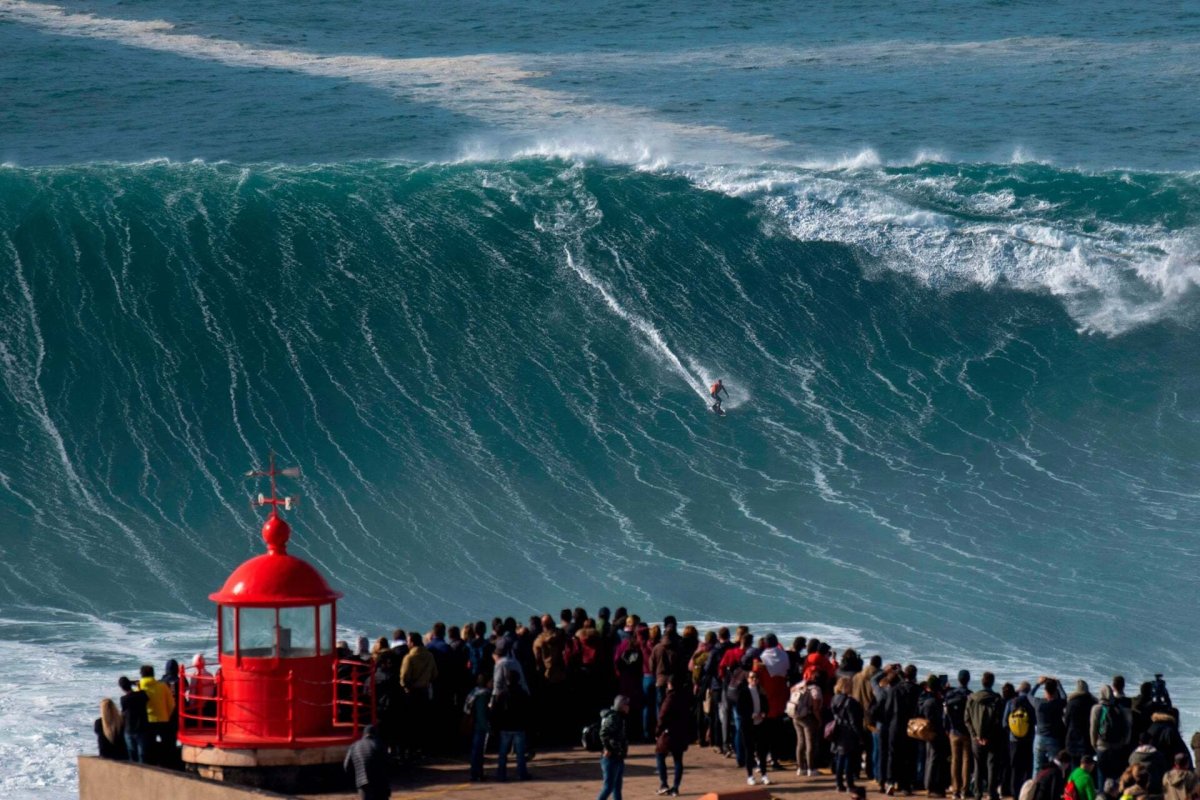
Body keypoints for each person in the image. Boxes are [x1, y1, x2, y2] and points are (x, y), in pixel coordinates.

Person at [966, 671, 1006, 800]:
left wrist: (975, 735)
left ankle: (978, 794)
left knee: (978, 766)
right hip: (992, 738)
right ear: (992, 683)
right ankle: (992, 793)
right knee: (992, 766)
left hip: (976, 738)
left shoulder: (971, 698)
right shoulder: (996, 698)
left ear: (982, 682)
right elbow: (998, 720)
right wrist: (987, 736)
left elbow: (967, 719)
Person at [491, 664, 532, 782]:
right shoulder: (522, 694)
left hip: (505, 726)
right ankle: (521, 773)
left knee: (503, 753)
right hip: (519, 726)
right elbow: (527, 711)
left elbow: (496, 712)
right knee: (520, 753)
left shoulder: (502, 694)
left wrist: (496, 725)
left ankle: (501, 774)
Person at [655, 676, 691, 796]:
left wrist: (657, 731)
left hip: (669, 733)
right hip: (681, 732)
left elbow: (662, 716)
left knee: (660, 755)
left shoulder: (670, 697)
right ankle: (675, 787)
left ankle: (664, 783)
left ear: (670, 684)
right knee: (678, 760)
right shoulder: (684, 696)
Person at [1094, 685, 1134, 790]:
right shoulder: (1120, 709)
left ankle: (1102, 796)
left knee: (1102, 775)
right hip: (1117, 747)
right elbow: (1127, 727)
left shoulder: (1097, 708)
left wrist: (1095, 744)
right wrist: (1124, 742)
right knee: (1116, 776)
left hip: (1102, 747)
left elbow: (1093, 729)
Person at [832, 675, 866, 792]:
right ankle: (850, 784)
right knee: (849, 760)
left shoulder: (835, 698)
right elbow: (853, 721)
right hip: (848, 733)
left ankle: (839, 783)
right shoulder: (850, 702)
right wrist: (860, 736)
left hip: (838, 730)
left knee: (840, 758)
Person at [738, 669, 772, 786]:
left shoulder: (761, 691)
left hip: (760, 724)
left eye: (756, 678)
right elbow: (740, 709)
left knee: (762, 751)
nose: (754, 680)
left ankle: (764, 775)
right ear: (748, 679)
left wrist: (763, 713)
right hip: (748, 725)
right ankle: (750, 776)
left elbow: (766, 706)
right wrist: (751, 715)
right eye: (752, 677)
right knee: (749, 751)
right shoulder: (743, 692)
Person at [138, 664, 175, 766]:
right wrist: (167, 715)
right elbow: (171, 704)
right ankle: (166, 764)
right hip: (163, 719)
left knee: (149, 745)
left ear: (141, 675)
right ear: (153, 674)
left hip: (148, 721)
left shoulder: (139, 687)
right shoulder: (162, 686)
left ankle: (152, 765)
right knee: (166, 744)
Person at [946, 670, 974, 800]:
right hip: (967, 732)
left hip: (954, 731)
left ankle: (955, 790)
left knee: (955, 761)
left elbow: (946, 713)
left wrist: (947, 728)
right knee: (966, 761)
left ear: (958, 679)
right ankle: (964, 790)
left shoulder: (951, 694)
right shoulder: (970, 695)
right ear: (968, 680)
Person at [1031, 677, 1068, 773]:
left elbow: (1029, 695)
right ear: (1055, 692)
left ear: (1045, 691)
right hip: (1053, 739)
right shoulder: (1058, 704)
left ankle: (1035, 787)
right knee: (1054, 766)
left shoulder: (1038, 703)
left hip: (1039, 738)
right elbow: (1064, 697)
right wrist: (1058, 684)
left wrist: (1038, 684)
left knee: (1037, 767)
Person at [344, 725, 390, 800]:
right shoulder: (379, 744)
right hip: (378, 781)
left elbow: (346, 766)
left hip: (362, 782)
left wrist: (356, 777)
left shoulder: (354, 746)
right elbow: (386, 763)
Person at [1007, 681, 1037, 797]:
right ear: (1029, 691)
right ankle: (1025, 794)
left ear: (1019, 690)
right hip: (1029, 739)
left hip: (1014, 740)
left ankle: (1014, 793)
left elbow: (1005, 722)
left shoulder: (1012, 702)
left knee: (1015, 767)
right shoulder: (1032, 702)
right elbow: (1035, 721)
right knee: (1027, 767)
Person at [598, 695, 631, 800]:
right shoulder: (613, 717)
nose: (628, 707)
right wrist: (608, 748)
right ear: (621, 706)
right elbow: (603, 733)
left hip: (618, 756)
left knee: (617, 788)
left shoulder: (619, 717)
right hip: (611, 758)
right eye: (626, 705)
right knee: (608, 787)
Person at [463, 674, 491, 782]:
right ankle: (477, 773)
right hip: (480, 726)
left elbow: (467, 709)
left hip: (474, 725)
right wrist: (488, 728)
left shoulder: (473, 692)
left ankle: (475, 773)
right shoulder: (484, 695)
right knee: (479, 752)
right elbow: (483, 714)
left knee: (476, 751)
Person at [117, 676, 149, 763]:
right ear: (130, 685)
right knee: (142, 755)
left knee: (132, 756)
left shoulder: (123, 699)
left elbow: (123, 712)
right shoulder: (142, 695)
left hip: (129, 729)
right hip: (141, 728)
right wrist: (138, 685)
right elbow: (146, 697)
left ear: (122, 688)